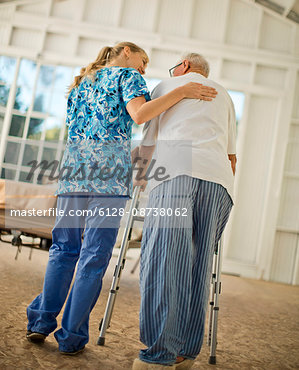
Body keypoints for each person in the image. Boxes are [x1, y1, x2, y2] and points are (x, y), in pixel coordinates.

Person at [26, 42, 218, 355]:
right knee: (94, 255)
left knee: (63, 249)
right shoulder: (127, 77)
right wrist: (182, 92)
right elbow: (140, 115)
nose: (144, 70)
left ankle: (39, 322)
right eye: (143, 62)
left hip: (74, 170)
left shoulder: (80, 83)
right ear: (126, 51)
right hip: (108, 176)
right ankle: (71, 336)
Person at [133, 53, 237, 369]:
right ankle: (185, 353)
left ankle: (159, 355)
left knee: (164, 259)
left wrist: (140, 179)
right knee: (198, 263)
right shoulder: (226, 96)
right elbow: (232, 157)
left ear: (185, 66)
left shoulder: (167, 84)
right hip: (219, 181)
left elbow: (147, 143)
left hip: (177, 168)